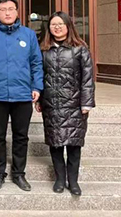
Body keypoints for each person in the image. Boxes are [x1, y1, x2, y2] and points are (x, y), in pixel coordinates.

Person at [0, 0, 43, 192]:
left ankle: (18, 173)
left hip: (23, 94)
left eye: (11, 9)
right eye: (3, 9)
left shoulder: (28, 35)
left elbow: (36, 63)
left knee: (21, 136)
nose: (7, 13)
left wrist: (36, 87)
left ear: (17, 12)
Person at [36, 11, 95, 196]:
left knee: (74, 145)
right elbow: (40, 76)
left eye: (60, 24)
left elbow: (87, 79)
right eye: (53, 24)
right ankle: (60, 179)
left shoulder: (80, 49)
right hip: (51, 103)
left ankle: (74, 181)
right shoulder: (44, 50)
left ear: (68, 26)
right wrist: (39, 99)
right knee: (55, 144)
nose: (57, 27)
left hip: (74, 104)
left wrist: (86, 103)